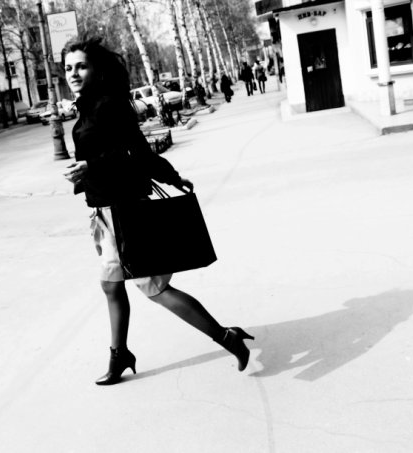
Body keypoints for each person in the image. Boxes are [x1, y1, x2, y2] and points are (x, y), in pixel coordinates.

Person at [61, 37, 254, 386]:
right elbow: (128, 152)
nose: (73, 73)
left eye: (81, 66)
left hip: (125, 210)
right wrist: (87, 173)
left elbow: (135, 152)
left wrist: (93, 166)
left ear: (97, 71)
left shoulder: (108, 105)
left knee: (153, 286)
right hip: (105, 212)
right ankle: (120, 354)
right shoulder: (89, 106)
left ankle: (227, 337)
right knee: (111, 286)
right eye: (68, 68)